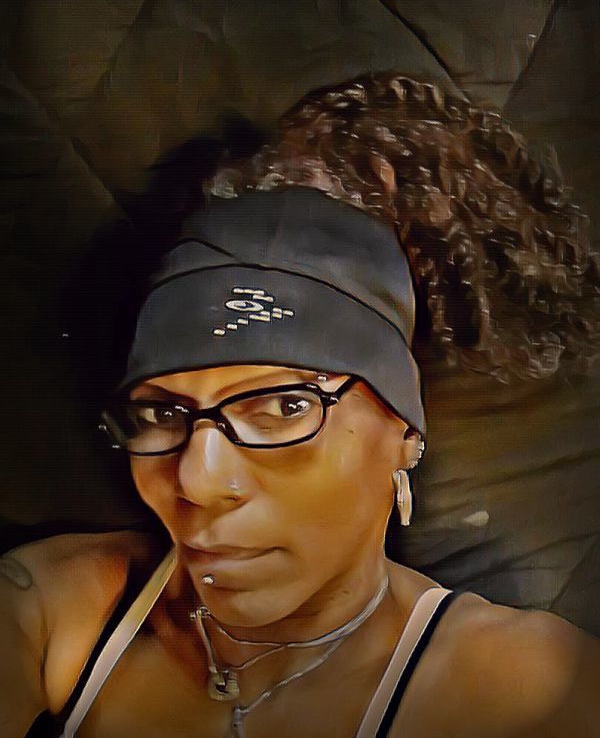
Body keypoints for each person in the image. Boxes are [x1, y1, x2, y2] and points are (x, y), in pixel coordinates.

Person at [3, 70, 600, 738]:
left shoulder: (528, 688)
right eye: (162, 414)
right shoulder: (57, 607)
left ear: (404, 431)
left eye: (284, 406)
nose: (196, 481)